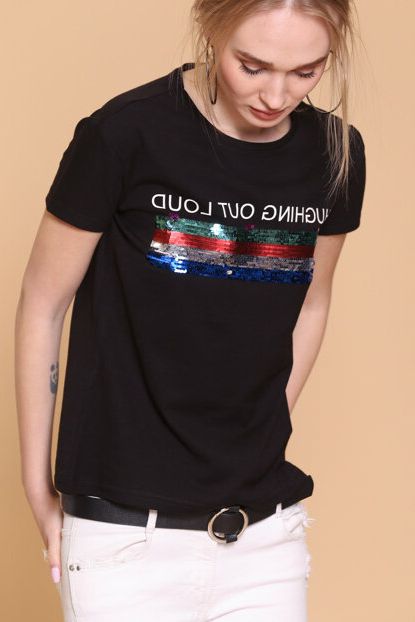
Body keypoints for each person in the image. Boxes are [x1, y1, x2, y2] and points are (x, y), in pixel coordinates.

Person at [15, 0, 366, 620]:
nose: (276, 96)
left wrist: (264, 424)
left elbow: (312, 300)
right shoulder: (125, 134)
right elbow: (43, 305)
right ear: (211, 26)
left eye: (306, 72)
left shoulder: (335, 153)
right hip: (124, 541)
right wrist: (37, 486)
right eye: (252, 66)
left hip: (265, 536)